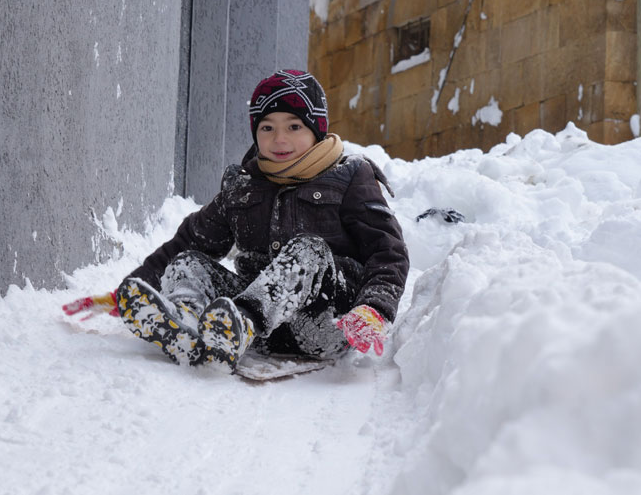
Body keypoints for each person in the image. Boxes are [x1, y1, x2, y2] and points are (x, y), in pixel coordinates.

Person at [64, 69, 409, 372]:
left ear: (317, 129)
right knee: (189, 263)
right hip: (259, 332)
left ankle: (239, 325)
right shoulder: (242, 186)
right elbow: (189, 241)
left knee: (309, 250)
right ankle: (185, 320)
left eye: (294, 126)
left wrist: (373, 309)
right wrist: (132, 288)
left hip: (324, 323)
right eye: (267, 128)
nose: (280, 139)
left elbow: (387, 250)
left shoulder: (349, 176)